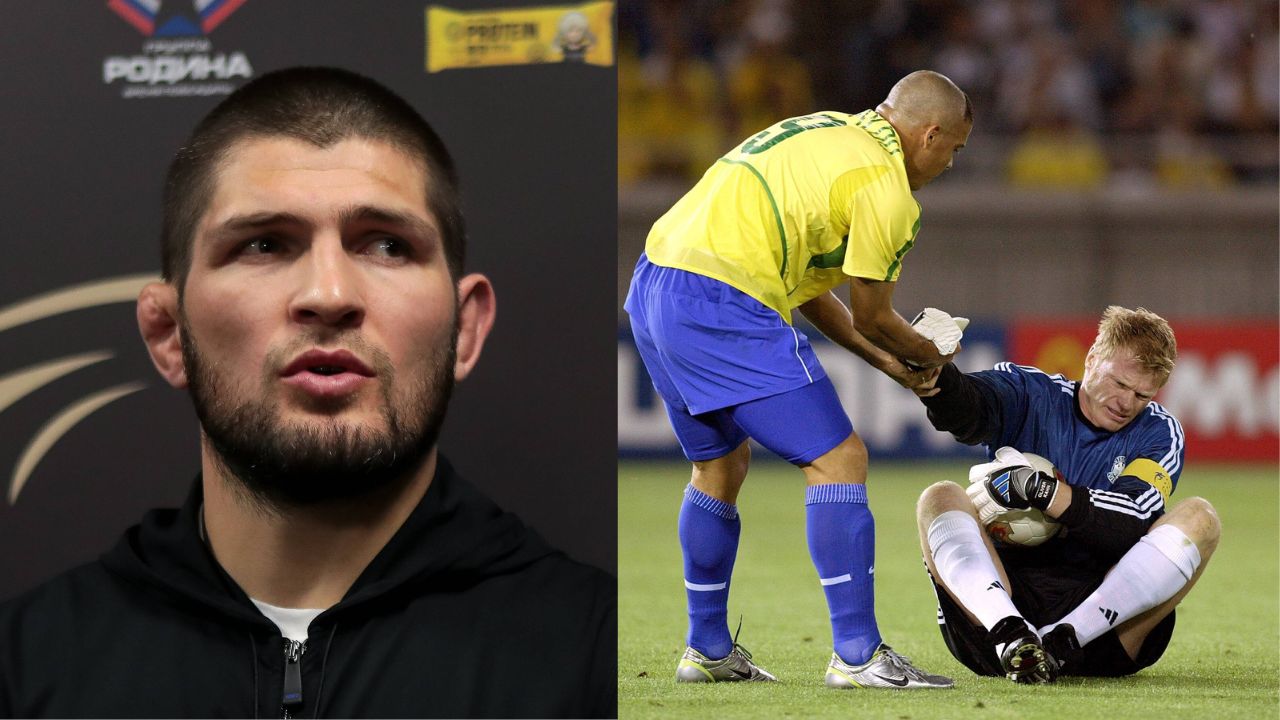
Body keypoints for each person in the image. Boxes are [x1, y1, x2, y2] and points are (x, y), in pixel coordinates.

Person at [0, 67, 615, 718]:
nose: (329, 295)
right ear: (167, 332)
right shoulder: (24, 672)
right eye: (265, 243)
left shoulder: (593, 657)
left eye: (386, 244)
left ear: (465, 328)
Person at [623, 70, 973, 689]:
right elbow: (872, 314)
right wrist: (928, 356)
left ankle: (706, 650)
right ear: (931, 133)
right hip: (721, 297)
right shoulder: (887, 189)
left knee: (719, 468)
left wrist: (889, 364)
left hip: (655, 282)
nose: (950, 163)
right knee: (840, 460)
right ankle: (859, 655)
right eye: (955, 149)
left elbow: (811, 292)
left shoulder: (827, 131)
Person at [913, 306, 1220, 683]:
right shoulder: (1030, 393)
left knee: (1201, 519)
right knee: (939, 497)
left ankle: (1065, 640)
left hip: (1104, 629)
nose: (1126, 403)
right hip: (996, 617)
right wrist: (937, 376)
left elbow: (1134, 520)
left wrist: (1042, 491)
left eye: (1142, 394)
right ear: (1092, 359)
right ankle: (1011, 633)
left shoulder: (1158, 432)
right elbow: (968, 411)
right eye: (1120, 384)